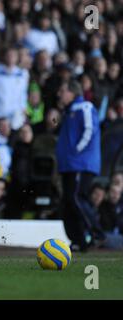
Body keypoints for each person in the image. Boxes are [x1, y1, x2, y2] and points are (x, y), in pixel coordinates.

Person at [56, 80, 106, 252]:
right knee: (68, 202)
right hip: (69, 164)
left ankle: (97, 234)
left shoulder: (84, 107)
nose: (59, 94)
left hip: (80, 163)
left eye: (62, 90)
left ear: (72, 92)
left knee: (76, 198)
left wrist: (76, 151)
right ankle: (78, 241)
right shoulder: (68, 112)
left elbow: (89, 130)